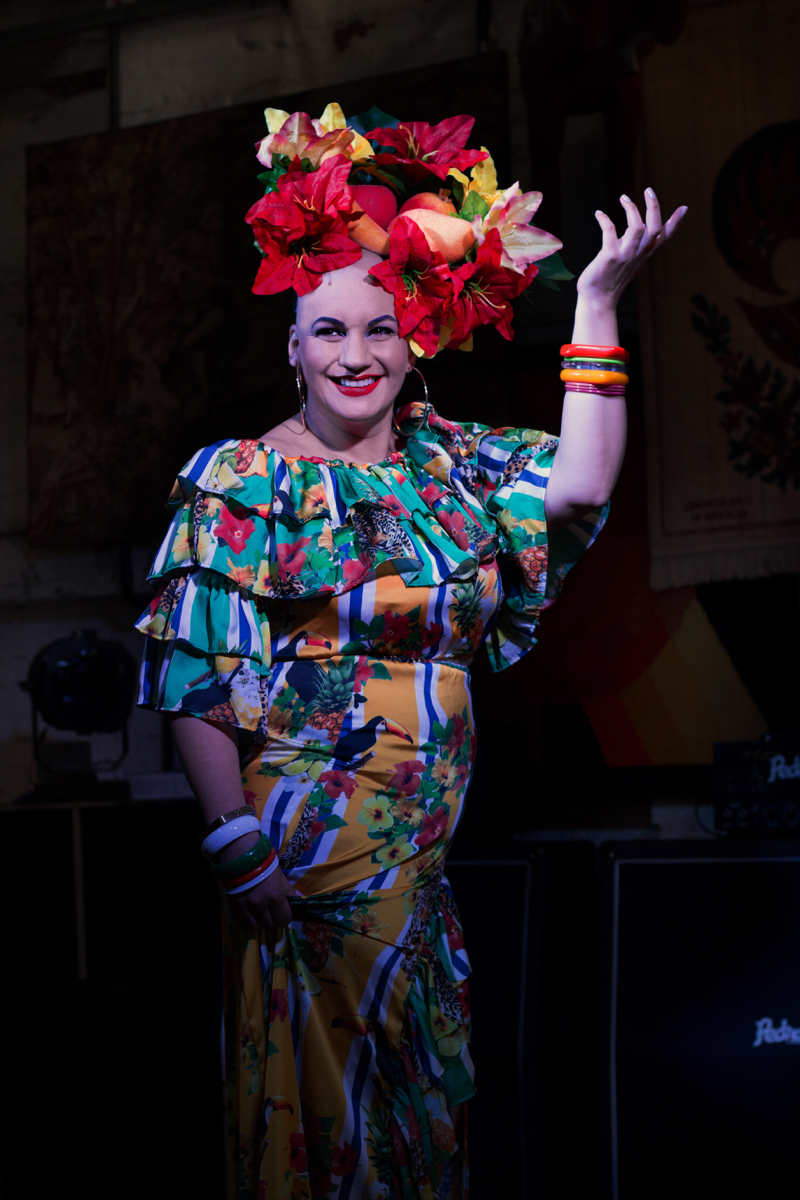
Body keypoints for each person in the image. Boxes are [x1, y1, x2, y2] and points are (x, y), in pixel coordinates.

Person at [136, 103, 685, 1198]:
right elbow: (196, 672)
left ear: (411, 342)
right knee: (331, 1109)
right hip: (306, 846)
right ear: (292, 347)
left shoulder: (450, 465)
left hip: (420, 849)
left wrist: (593, 306)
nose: (356, 354)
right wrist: (232, 836)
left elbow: (581, 483)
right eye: (328, 331)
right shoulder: (245, 479)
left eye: (379, 329)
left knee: (413, 1107)